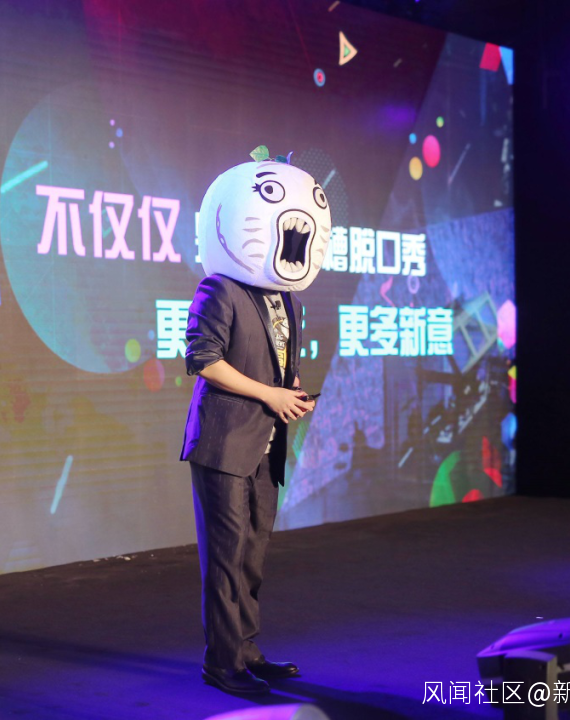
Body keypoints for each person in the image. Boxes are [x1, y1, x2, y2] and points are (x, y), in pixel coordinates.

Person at [181, 146, 332, 695]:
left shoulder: (288, 297)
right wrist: (270, 394)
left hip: (267, 446)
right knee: (225, 559)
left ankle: (247, 651)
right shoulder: (219, 287)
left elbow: (278, 366)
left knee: (250, 558)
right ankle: (222, 664)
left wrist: (291, 393)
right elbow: (203, 359)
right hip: (223, 445)